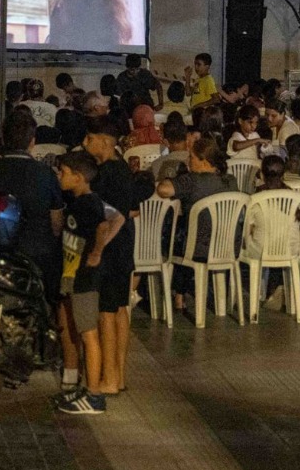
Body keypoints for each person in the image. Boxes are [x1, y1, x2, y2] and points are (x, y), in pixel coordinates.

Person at [54, 151, 124, 415]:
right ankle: (88, 388)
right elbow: (115, 218)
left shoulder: (88, 203)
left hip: (84, 277)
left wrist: (96, 253)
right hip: (76, 274)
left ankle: (94, 395)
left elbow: (103, 226)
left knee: (88, 334)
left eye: (63, 172)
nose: (60, 177)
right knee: (85, 333)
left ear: (78, 177)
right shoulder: (82, 201)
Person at [0, 114, 65, 298]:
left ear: (2, 138)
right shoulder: (45, 174)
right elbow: (56, 223)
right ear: (32, 142)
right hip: (38, 254)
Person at [83, 122, 143, 397]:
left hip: (110, 249)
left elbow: (114, 217)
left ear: (105, 142)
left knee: (106, 313)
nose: (85, 144)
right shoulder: (122, 170)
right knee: (119, 309)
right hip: (125, 248)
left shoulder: (108, 172)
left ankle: (108, 377)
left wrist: (97, 250)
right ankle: (118, 375)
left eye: (90, 138)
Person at [156, 138, 234, 313]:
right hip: (227, 247)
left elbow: (163, 190)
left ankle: (178, 294)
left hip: (199, 248)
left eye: (191, 157)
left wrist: (171, 179)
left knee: (179, 233)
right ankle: (183, 295)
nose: (187, 160)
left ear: (204, 161)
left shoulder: (191, 181)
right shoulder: (231, 180)